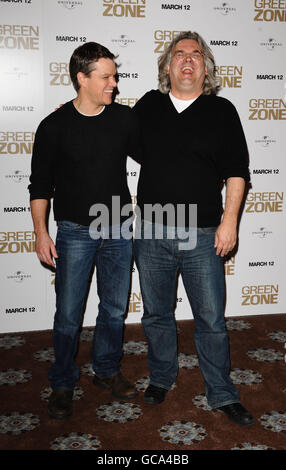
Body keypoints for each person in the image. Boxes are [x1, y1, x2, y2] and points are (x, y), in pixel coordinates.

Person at [132, 31, 254, 427]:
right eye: (179, 54)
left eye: (196, 55)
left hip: (202, 232)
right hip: (151, 231)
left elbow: (237, 172)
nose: (187, 60)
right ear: (167, 66)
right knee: (156, 314)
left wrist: (229, 222)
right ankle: (162, 377)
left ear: (206, 67)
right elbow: (112, 135)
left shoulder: (222, 112)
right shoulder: (148, 106)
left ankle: (221, 392)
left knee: (211, 319)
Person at [28, 42, 139, 420]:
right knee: (68, 314)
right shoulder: (53, 127)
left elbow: (160, 151)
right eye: (106, 77)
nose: (115, 84)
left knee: (113, 309)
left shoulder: (124, 120)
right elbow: (39, 185)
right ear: (82, 78)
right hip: (74, 232)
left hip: (120, 229)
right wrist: (41, 233)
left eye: (115, 75)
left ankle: (106, 371)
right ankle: (62, 380)